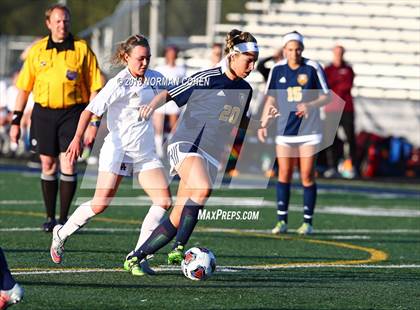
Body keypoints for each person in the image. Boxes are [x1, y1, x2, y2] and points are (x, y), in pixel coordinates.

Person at [124, 29, 278, 276]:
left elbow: (239, 121)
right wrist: (151, 106)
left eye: (254, 62)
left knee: (177, 215)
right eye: (248, 60)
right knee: (203, 188)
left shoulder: (245, 91)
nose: (251, 67)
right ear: (233, 55)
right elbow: (170, 93)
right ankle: (180, 248)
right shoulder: (208, 77)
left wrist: (262, 123)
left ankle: (136, 256)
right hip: (186, 143)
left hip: (210, 152)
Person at [49, 35, 172, 275]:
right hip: (118, 149)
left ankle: (137, 257)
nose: (145, 62)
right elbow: (88, 112)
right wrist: (76, 139)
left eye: (147, 58)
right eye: (140, 58)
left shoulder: (155, 77)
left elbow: (170, 93)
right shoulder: (119, 83)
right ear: (126, 58)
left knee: (164, 201)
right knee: (100, 204)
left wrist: (157, 100)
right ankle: (61, 233)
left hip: (144, 152)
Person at [9, 4, 104, 232]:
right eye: (58, 21)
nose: (63, 25)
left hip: (73, 112)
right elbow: (23, 89)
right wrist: (15, 120)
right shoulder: (37, 50)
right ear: (49, 23)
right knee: (48, 164)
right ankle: (50, 218)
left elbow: (96, 88)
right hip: (43, 113)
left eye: (66, 21)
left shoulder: (82, 49)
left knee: (69, 162)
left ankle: (64, 220)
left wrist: (93, 122)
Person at [258, 31, 330, 236]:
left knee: (307, 175)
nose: (294, 52)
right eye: (290, 49)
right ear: (284, 50)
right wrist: (264, 123)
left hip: (309, 130)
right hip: (284, 130)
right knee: (284, 174)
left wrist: (310, 105)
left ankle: (308, 222)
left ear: (302, 49)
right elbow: (271, 99)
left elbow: (326, 96)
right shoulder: (277, 69)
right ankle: (282, 220)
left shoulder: (313, 67)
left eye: (297, 49)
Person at [323, 45, 357, 178]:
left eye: (341, 53)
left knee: (350, 138)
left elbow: (346, 85)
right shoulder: (328, 69)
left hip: (346, 107)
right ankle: (332, 166)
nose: (339, 55)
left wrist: (335, 84)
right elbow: (326, 85)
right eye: (336, 53)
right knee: (330, 138)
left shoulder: (348, 69)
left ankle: (352, 166)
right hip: (331, 108)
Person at [153, 45, 186, 158]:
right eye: (169, 53)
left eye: (173, 53)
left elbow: (183, 85)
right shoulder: (160, 69)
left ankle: (170, 149)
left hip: (173, 101)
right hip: (162, 100)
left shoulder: (181, 70)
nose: (171, 55)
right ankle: (158, 150)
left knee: (174, 127)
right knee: (158, 126)